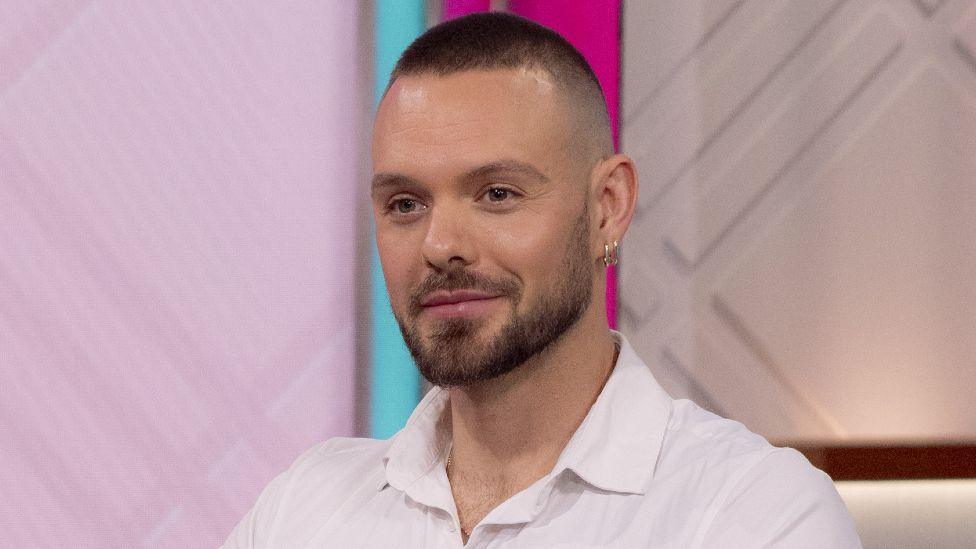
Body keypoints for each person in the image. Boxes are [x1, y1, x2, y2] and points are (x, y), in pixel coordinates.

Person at [223, 12, 861, 548]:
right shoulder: (301, 511)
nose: (440, 246)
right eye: (406, 204)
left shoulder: (750, 513)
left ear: (608, 205)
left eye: (497, 194)